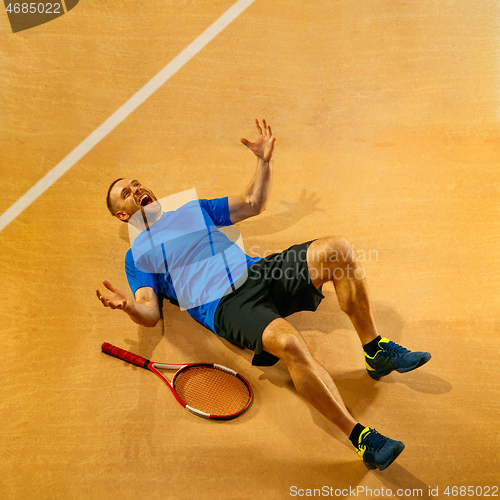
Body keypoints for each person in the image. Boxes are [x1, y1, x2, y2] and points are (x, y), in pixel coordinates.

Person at [96, 119, 431, 471]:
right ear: (123, 215)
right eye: (126, 194)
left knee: (338, 249)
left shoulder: (192, 211)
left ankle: (374, 350)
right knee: (290, 344)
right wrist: (129, 306)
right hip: (224, 305)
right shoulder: (137, 256)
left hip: (260, 272)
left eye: (136, 184)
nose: (136, 190)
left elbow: (253, 202)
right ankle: (362, 437)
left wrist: (263, 162)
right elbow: (150, 312)